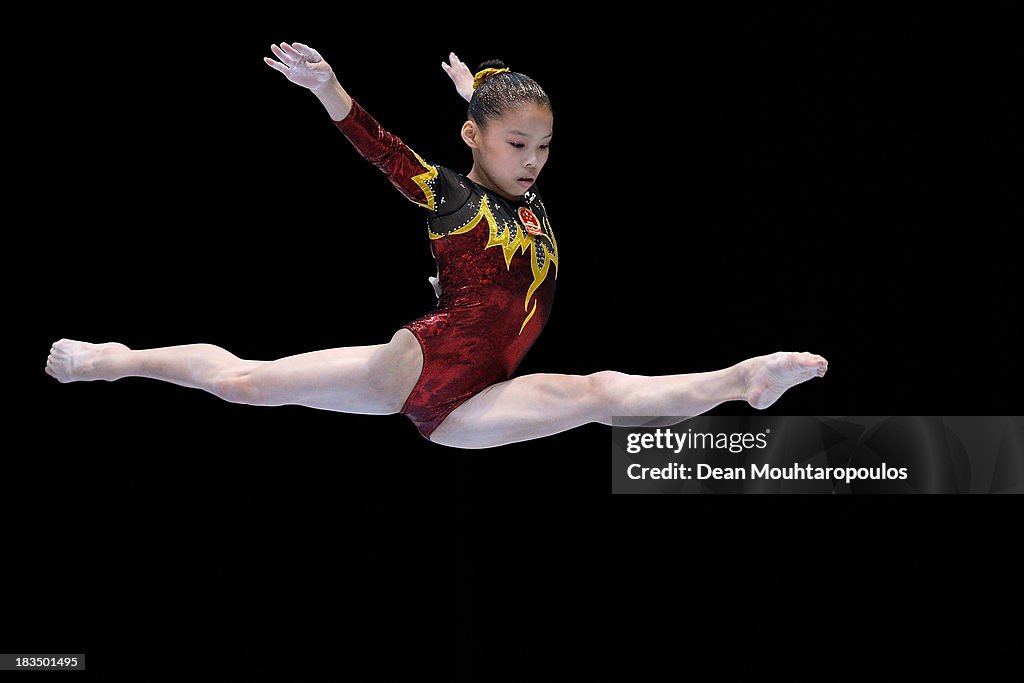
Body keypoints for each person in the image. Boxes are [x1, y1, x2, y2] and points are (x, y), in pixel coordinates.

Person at [45, 42, 828, 449]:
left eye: (545, 147)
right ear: (474, 139)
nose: (533, 160)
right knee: (246, 383)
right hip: (420, 366)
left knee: (596, 393)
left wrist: (479, 87)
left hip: (471, 405)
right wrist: (328, 89)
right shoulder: (453, 197)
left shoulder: (528, 197)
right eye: (517, 144)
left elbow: (502, 109)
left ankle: (741, 379)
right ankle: (114, 358)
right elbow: (383, 148)